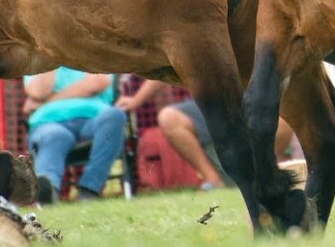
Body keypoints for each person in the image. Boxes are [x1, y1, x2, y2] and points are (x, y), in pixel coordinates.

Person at [116, 77, 293, 190]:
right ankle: (213, 181)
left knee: (285, 120)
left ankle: (264, 173)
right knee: (169, 117)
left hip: (249, 103)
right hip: (208, 106)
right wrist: (136, 100)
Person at [23, 66, 128, 203]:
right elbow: (38, 92)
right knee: (54, 136)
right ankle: (47, 191)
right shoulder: (42, 59)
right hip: (49, 122)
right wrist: (53, 56)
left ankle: (89, 190)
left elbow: (95, 84)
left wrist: (48, 101)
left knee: (115, 116)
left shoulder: (88, 49)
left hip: (94, 119)